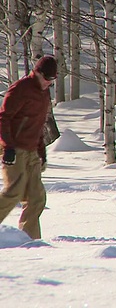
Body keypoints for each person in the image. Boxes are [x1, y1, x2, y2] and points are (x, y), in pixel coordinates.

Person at [0, 55, 57, 239]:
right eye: (47, 78)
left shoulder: (44, 92)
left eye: (53, 80)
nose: (49, 83)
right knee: (14, 191)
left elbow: (38, 124)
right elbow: (3, 118)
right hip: (14, 148)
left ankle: (30, 241)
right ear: (37, 73)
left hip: (32, 150)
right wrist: (7, 147)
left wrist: (42, 152)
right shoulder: (21, 88)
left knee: (36, 198)